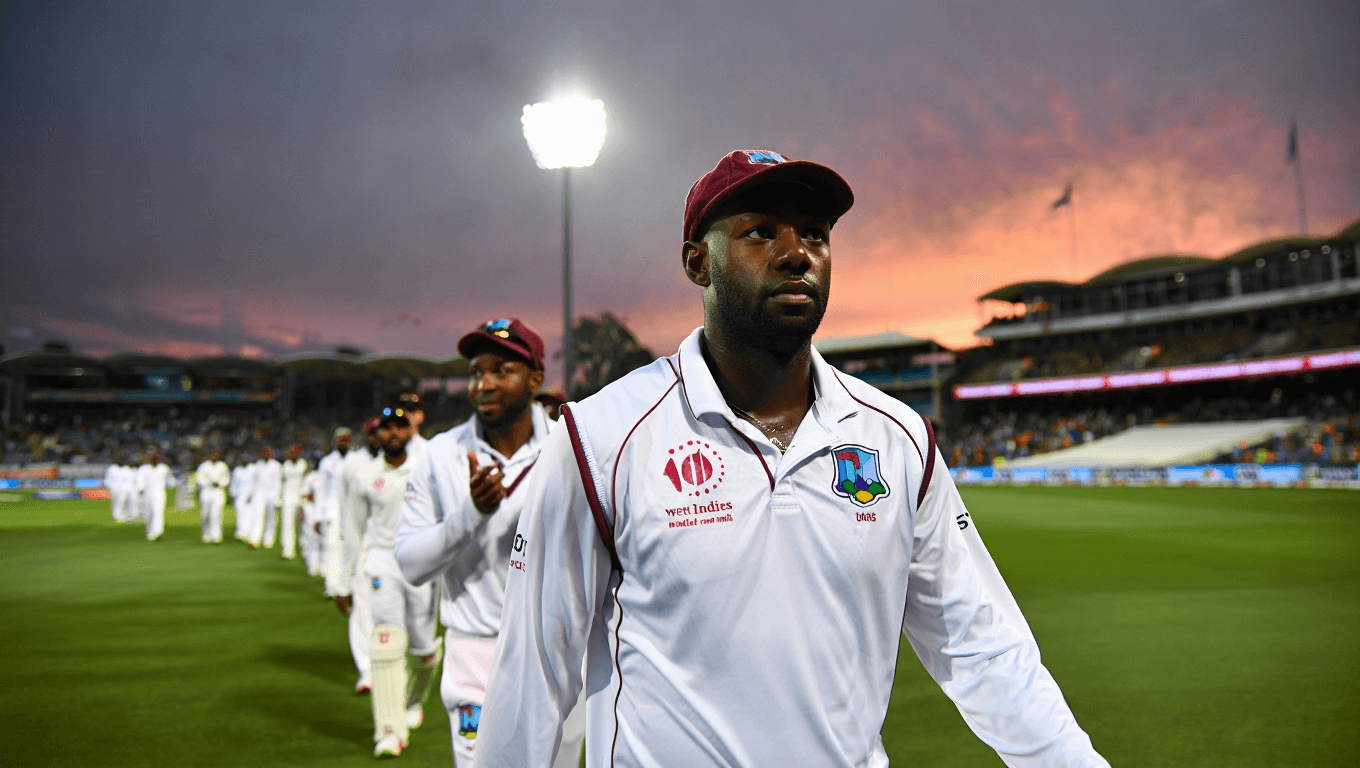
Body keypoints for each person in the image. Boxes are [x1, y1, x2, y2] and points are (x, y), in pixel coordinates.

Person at [476, 150, 1110, 767]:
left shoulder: (898, 439)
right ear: (699, 263)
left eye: (814, 233)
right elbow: (533, 670)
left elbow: (982, 645)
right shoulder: (602, 436)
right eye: (760, 232)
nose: (796, 253)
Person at [396, 318, 584, 768]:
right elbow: (410, 564)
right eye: (477, 371)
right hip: (476, 649)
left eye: (502, 370)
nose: (485, 383)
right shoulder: (440, 455)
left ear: (536, 378)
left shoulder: (575, 445)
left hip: (559, 646)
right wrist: (471, 514)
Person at [339, 404, 442, 757]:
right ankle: (388, 730)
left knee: (424, 652)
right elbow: (351, 530)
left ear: (410, 431)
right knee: (385, 643)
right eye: (388, 428)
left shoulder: (428, 467)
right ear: (379, 434)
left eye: (400, 427)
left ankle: (414, 700)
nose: (394, 433)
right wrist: (343, 580)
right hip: (381, 563)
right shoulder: (365, 475)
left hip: (421, 564)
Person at [336, 419, 383, 693]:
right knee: (362, 610)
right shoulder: (353, 464)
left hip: (395, 546)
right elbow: (347, 510)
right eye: (375, 432)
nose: (380, 436)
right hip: (364, 542)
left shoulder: (407, 461)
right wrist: (343, 580)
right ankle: (366, 669)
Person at [318, 428, 354, 591]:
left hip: (353, 509)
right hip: (332, 509)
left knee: (352, 547)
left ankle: (349, 584)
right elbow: (321, 490)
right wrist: (319, 516)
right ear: (335, 440)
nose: (343, 442)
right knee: (332, 546)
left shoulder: (357, 460)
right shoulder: (326, 462)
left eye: (346, 439)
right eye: (341, 439)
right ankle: (332, 585)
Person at [279, 444, 309, 560]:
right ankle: (288, 548)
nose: (293, 454)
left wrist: (305, 495)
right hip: (287, 496)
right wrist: (280, 497)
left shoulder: (304, 464)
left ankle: (304, 546)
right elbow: (281, 481)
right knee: (287, 522)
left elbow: (308, 480)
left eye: (295, 452)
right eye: (291, 452)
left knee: (304, 524)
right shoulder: (285, 465)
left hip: (300, 495)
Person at [251, 448, 283, 549]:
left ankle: (268, 539)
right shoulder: (258, 465)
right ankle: (255, 538)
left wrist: (278, 497)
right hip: (259, 492)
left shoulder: (276, 466)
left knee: (271, 517)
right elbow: (254, 481)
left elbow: (278, 482)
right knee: (257, 515)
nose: (267, 455)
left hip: (272, 493)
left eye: (268, 453)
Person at [196, 449, 230, 544]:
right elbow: (199, 479)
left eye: (217, 455)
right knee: (205, 514)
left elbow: (226, 478)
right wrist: (210, 483)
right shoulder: (203, 466)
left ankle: (216, 535)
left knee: (216, 513)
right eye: (213, 455)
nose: (214, 457)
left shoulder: (223, 466)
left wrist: (220, 483)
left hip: (218, 491)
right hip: (206, 491)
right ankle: (206, 533)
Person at [142, 452, 170, 542]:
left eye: (156, 459)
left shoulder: (163, 468)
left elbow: (169, 479)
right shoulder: (144, 469)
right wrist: (140, 489)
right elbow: (140, 481)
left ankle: (158, 531)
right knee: (148, 513)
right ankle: (150, 532)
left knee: (158, 511)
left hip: (159, 493)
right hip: (147, 493)